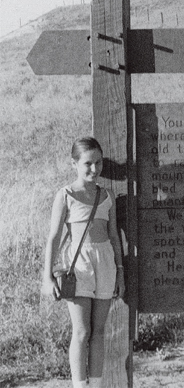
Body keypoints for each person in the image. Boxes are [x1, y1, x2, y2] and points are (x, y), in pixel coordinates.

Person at [42, 137, 125, 388]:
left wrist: (120, 272)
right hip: (78, 266)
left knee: (99, 332)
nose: (94, 169)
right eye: (87, 163)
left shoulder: (107, 195)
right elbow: (54, 237)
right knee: (81, 332)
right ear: (74, 164)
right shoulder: (66, 195)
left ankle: (96, 385)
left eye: (98, 163)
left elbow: (113, 237)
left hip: (106, 263)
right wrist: (47, 276)